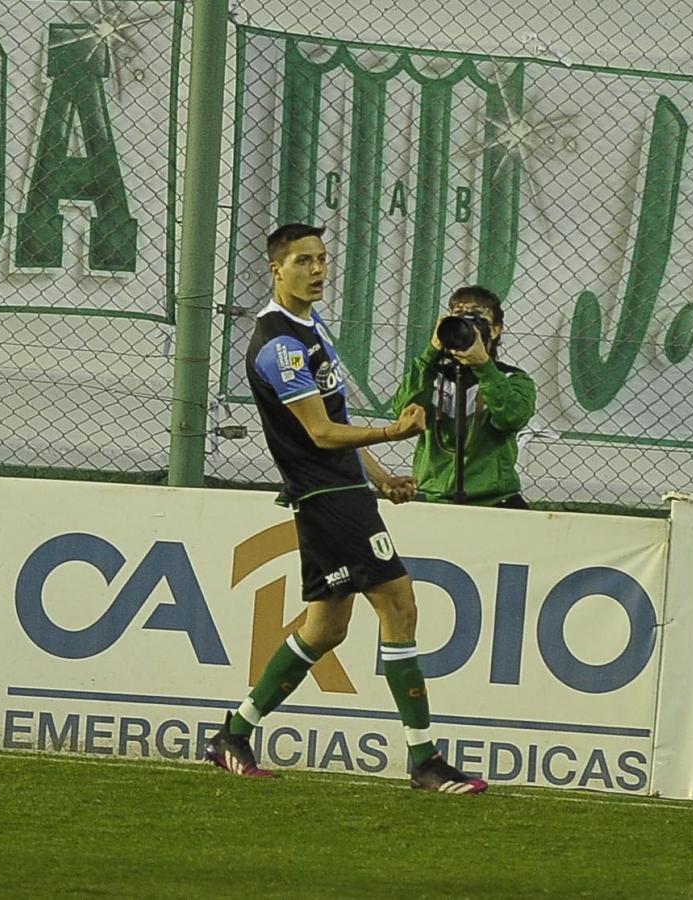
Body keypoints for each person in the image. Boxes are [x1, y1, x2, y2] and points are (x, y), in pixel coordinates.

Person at [203, 222, 488, 794]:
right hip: (326, 498)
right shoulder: (278, 343)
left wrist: (380, 479)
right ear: (275, 268)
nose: (317, 270)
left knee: (326, 628)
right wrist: (390, 433)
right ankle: (424, 759)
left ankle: (233, 733)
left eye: (322, 259)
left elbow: (334, 424)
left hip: (341, 493)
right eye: (303, 261)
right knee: (400, 604)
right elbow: (320, 434)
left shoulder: (311, 328)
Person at [393, 285, 536, 508]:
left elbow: (510, 417)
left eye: (477, 318)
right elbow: (403, 413)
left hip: (494, 500)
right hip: (434, 496)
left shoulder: (512, 379)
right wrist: (430, 353)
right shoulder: (431, 374)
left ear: (496, 329)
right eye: (458, 316)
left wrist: (484, 367)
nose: (467, 326)